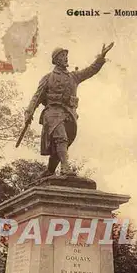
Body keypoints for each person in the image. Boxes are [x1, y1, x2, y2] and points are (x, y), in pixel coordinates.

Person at [24, 43, 114, 177]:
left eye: (66, 55)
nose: (66, 58)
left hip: (70, 113)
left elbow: (91, 70)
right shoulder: (48, 78)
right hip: (52, 112)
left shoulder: (74, 77)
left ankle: (50, 170)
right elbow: (37, 97)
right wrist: (28, 112)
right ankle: (65, 168)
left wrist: (101, 57)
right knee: (61, 138)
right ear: (56, 59)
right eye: (62, 56)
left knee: (63, 144)